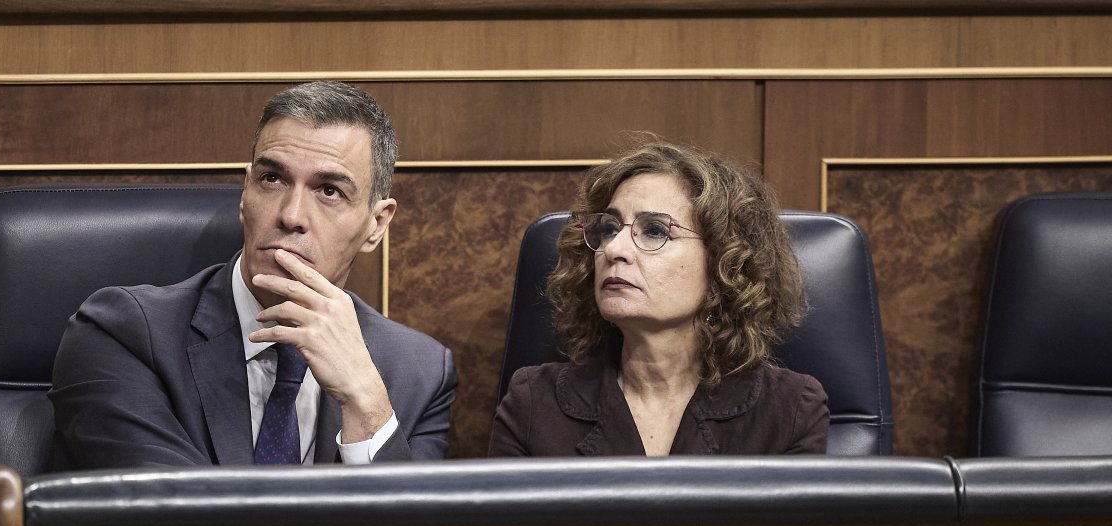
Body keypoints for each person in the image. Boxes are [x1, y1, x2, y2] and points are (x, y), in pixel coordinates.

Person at [51, 81, 458, 468]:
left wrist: (365, 402)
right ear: (245, 194)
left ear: (376, 224)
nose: (292, 215)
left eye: (329, 190)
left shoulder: (419, 373)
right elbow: (171, 518)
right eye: (272, 179)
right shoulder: (124, 335)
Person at [489, 136, 828, 457]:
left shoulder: (790, 409)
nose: (614, 249)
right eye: (608, 228)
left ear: (726, 261)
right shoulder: (534, 402)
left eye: (654, 231)